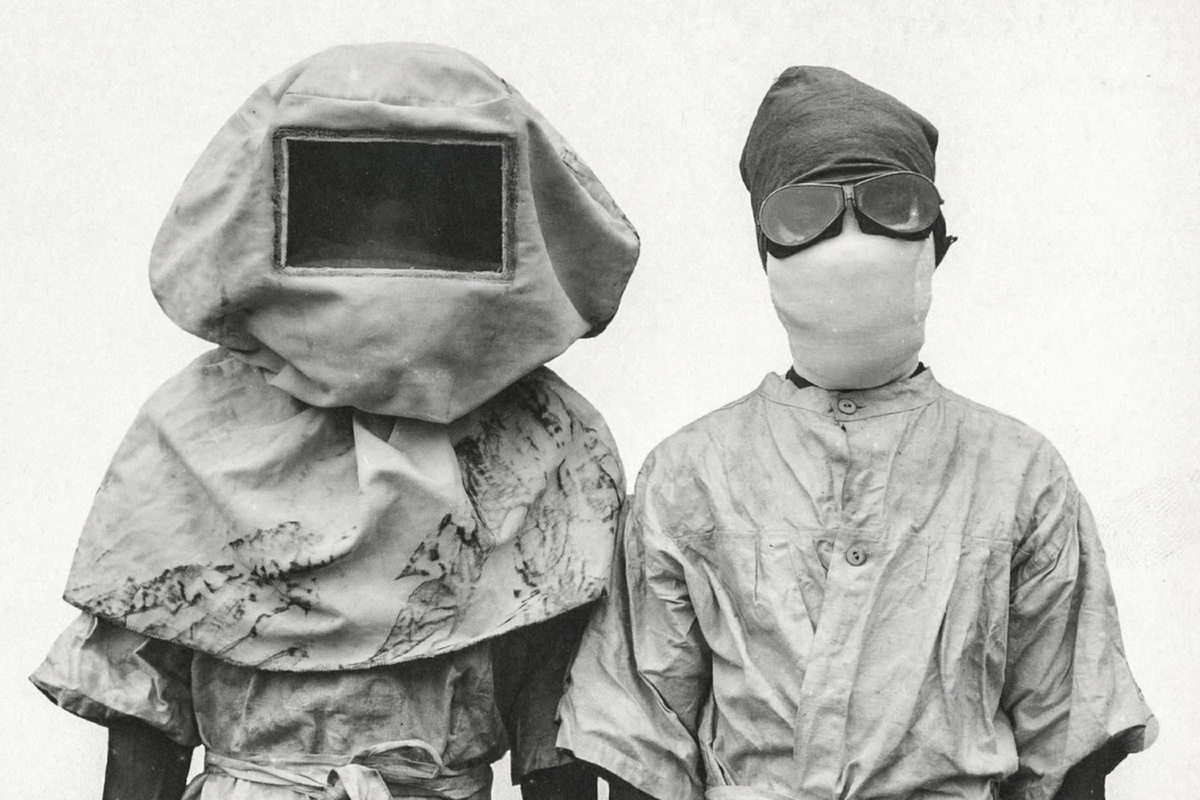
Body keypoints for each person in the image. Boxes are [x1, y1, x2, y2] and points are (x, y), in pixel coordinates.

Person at [31, 43, 639, 800]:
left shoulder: (547, 442)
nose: (386, 232)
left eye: (423, 201)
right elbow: (144, 723)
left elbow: (560, 741)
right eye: (353, 194)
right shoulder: (190, 433)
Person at [557, 66, 1156, 800]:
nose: (849, 243)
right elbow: (642, 747)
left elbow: (1070, 748)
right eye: (806, 215)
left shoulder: (1018, 473)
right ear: (765, 255)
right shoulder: (689, 475)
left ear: (937, 244)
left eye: (890, 207)